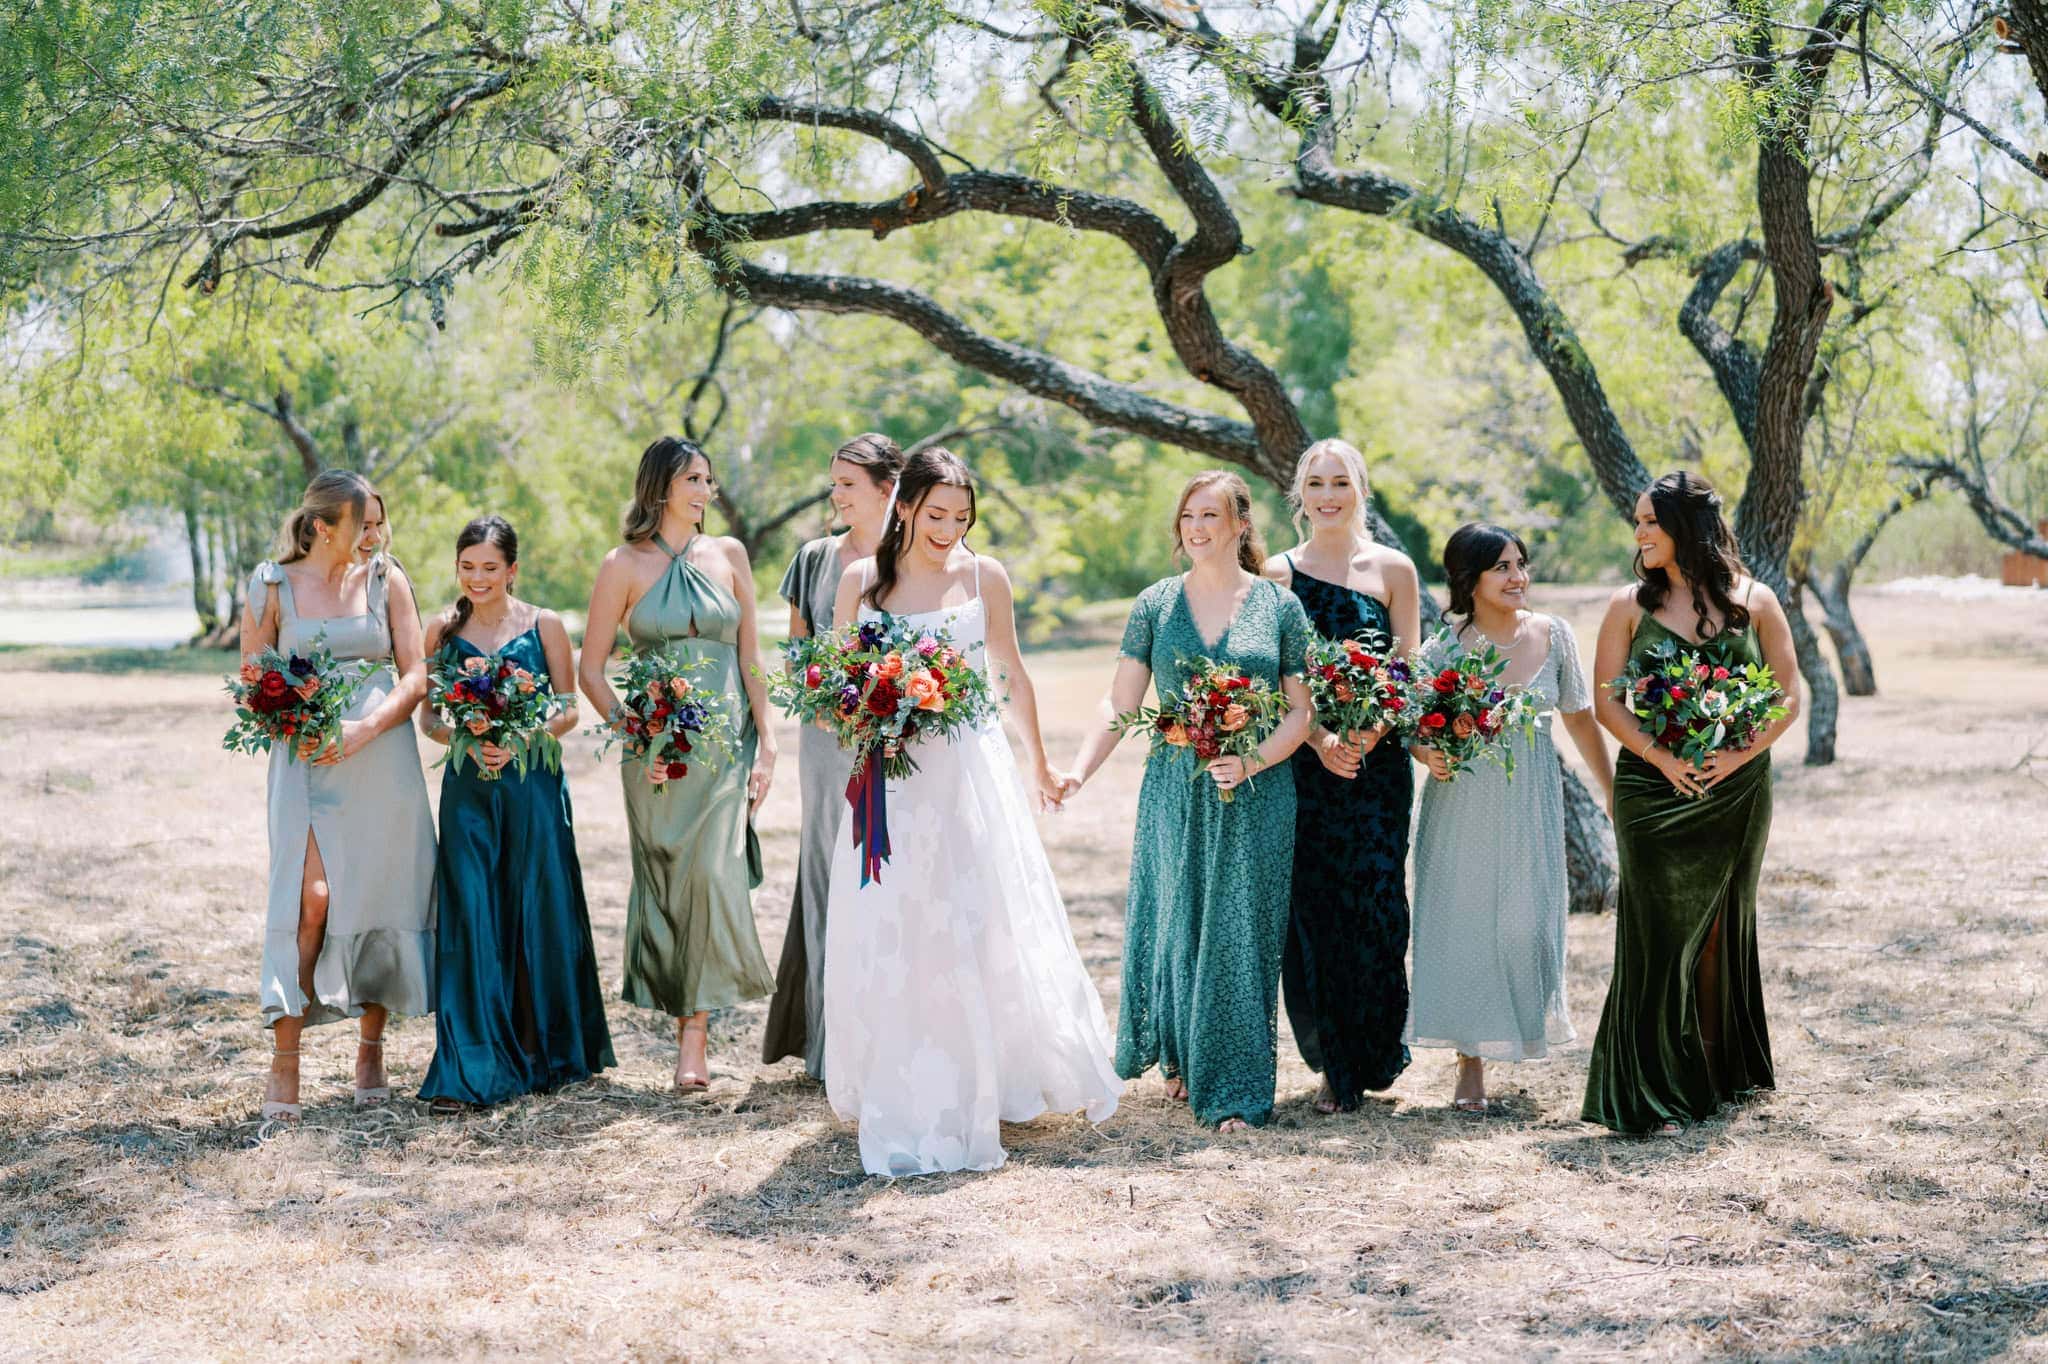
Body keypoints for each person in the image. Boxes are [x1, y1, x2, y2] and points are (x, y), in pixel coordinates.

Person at [821, 445, 1120, 1176]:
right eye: (935, 514)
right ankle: (910, 1075)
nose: (949, 529)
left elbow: (1011, 673)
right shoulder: (862, 579)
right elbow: (836, 683)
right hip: (891, 777)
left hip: (970, 771)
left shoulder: (985, 577)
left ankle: (987, 1076)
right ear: (906, 507)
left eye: (961, 516)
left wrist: (1042, 764)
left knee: (975, 911)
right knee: (899, 916)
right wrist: (869, 714)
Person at [1066, 471, 1315, 1133]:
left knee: (1242, 934)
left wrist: (1253, 759)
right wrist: (1077, 773)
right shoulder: (1155, 604)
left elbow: (1299, 714)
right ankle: (1182, 1055)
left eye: (1211, 515)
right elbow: (1120, 706)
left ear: (1241, 525)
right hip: (1176, 783)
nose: (1197, 528)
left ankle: (1233, 1087)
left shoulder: (1279, 607)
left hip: (1260, 789)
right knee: (1174, 919)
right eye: (1188, 517)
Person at [1581, 471, 1800, 1135]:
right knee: (1656, 935)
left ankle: (1712, 1079)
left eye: (1652, 521)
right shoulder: (1627, 605)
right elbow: (1606, 701)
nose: (1640, 533)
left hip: (1736, 791)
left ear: (1687, 528)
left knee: (1717, 933)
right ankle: (1650, 1093)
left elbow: (1788, 692)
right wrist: (1663, 758)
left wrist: (1736, 755)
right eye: (1639, 522)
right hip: (1653, 789)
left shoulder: (1755, 602)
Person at [579, 437, 778, 1093]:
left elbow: (750, 655)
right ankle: (680, 1013)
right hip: (659, 753)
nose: (705, 490)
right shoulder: (623, 564)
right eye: (693, 479)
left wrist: (768, 739)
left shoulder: (729, 555)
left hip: (725, 747)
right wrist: (636, 733)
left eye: (709, 480)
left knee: (713, 878)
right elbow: (591, 669)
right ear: (661, 486)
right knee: (670, 879)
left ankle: (695, 1038)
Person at [239, 470, 436, 1121]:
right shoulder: (270, 584)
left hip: (379, 757)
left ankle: (370, 1048)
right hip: (304, 762)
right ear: (324, 527)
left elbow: (415, 674)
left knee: (377, 897)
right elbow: (253, 676)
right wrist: (287, 715)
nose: (371, 536)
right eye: (360, 525)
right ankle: (285, 1062)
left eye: (378, 523)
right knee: (310, 901)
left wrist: (364, 728)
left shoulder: (386, 578)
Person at [1405, 523, 1612, 1112]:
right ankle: (1469, 1063)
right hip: (1462, 802)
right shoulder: (1440, 648)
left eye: (1521, 564)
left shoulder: (1554, 634)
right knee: (1463, 923)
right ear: (1468, 578)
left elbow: (1578, 717)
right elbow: (1412, 728)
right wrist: (1428, 752)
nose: (1518, 577)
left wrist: (1611, 791)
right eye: (1502, 567)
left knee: (1526, 922)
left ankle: (1518, 1031)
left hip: (1532, 805)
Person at [416, 516, 614, 1111]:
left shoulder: (544, 625)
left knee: (536, 904)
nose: (478, 579)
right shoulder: (440, 631)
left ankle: (547, 1052)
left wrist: (524, 732)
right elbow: (427, 717)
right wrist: (463, 736)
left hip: (532, 786)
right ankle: (470, 1063)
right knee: (472, 912)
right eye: (467, 567)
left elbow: (570, 708)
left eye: (490, 568)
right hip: (470, 790)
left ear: (513, 570)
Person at [1261, 438, 1422, 1113]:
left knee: (1380, 908)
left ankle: (1378, 1050)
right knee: (1317, 912)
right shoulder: (1277, 573)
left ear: (1361, 489)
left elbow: (1410, 663)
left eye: (1341, 483)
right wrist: (1324, 739)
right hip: (1307, 768)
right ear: (1299, 494)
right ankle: (1336, 1068)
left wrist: (1369, 732)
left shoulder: (1394, 569)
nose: (1328, 496)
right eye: (1316, 484)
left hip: (1379, 770)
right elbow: (1272, 679)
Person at [762, 433, 905, 1079]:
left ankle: (892, 1032)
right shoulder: (814, 559)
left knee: (895, 872)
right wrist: (825, 703)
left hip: (903, 737)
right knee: (828, 871)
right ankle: (828, 1046)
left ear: (886, 487)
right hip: (826, 739)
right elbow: (798, 654)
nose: (835, 495)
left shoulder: (915, 555)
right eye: (833, 483)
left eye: (847, 483)